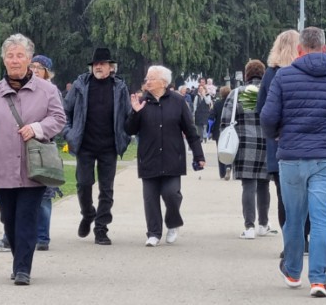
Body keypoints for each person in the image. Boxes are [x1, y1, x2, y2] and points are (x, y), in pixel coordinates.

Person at [261, 27, 326, 298]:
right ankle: (318, 280)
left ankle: (293, 272)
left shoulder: (283, 77)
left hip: (292, 157)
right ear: (325, 49)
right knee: (321, 220)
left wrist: (276, 136)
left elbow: (268, 117)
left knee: (294, 218)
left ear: (299, 49)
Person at [0, 34, 65, 286]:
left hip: (33, 168)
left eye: (20, 55)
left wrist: (37, 128)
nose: (15, 60)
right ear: (4, 60)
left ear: (29, 59)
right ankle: (19, 260)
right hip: (0, 166)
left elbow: (58, 119)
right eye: (10, 55)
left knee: (27, 217)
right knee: (9, 219)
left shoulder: (47, 90)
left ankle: (23, 269)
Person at [125, 65, 205, 247]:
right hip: (149, 157)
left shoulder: (178, 101)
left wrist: (198, 155)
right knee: (150, 198)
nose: (147, 81)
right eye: (146, 78)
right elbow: (129, 129)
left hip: (172, 157)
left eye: (151, 78)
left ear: (163, 82)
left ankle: (173, 223)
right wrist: (134, 113)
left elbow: (190, 131)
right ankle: (153, 233)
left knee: (172, 194)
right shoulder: (141, 101)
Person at [62, 47, 132, 246]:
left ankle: (101, 228)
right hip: (85, 144)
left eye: (102, 64)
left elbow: (128, 115)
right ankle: (88, 213)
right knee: (84, 184)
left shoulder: (119, 87)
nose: (98, 67)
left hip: (109, 146)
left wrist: (125, 136)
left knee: (106, 189)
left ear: (111, 67)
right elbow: (64, 112)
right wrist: (68, 133)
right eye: (95, 64)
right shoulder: (80, 85)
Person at [256, 29, 309, 252]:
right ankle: (304, 239)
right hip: (307, 143)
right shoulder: (307, 74)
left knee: (284, 197)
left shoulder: (271, 75)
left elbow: (262, 110)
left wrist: (275, 132)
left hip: (279, 145)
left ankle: (291, 242)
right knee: (308, 194)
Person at [221, 59, 271, 239]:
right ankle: (263, 224)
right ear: (263, 74)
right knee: (264, 185)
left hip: (244, 144)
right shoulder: (269, 92)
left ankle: (249, 226)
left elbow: (226, 121)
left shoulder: (237, 94)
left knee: (248, 185)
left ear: (247, 74)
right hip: (266, 143)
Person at [28, 54, 63, 251]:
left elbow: (58, 119)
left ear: (46, 72)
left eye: (39, 67)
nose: (34, 70)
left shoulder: (52, 91)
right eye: (31, 66)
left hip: (43, 145)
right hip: (21, 145)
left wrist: (38, 128)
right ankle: (13, 234)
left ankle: (42, 237)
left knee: (44, 195)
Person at [210, 85, 232, 179]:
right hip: (230, 131)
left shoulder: (217, 104)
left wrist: (210, 131)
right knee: (230, 150)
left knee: (220, 151)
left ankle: (222, 173)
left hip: (219, 131)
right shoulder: (232, 104)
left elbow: (211, 117)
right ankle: (229, 166)